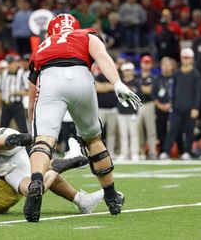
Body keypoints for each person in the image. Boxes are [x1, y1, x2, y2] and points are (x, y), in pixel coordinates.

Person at [26, 13, 141, 222]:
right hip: (81, 77)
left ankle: (36, 181)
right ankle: (111, 196)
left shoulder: (43, 45)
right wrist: (117, 83)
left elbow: (32, 96)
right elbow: (101, 56)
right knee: (93, 138)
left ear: (51, 30)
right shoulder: (86, 34)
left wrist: (32, 124)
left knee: (43, 140)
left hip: (50, 79)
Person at [161, 48, 201, 160]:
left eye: (188, 57)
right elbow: (172, 91)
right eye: (184, 57)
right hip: (177, 107)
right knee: (172, 130)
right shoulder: (177, 74)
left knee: (189, 131)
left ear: (192, 59)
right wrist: (172, 104)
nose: (185, 60)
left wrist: (196, 107)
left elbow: (198, 92)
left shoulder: (195, 74)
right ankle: (166, 151)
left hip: (190, 108)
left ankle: (187, 151)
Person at [0, 54, 29, 133]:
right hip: (6, 105)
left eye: (11, 63)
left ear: (16, 63)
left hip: (17, 105)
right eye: (9, 63)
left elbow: (28, 91)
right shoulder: (3, 74)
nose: (10, 65)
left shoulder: (23, 74)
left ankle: (27, 145)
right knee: (2, 129)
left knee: (23, 128)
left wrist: (17, 92)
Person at [151, 57, 175, 156]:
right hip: (159, 109)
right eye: (163, 65)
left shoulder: (176, 77)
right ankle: (162, 151)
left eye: (167, 65)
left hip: (173, 108)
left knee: (174, 130)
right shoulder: (157, 79)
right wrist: (159, 105)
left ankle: (179, 150)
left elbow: (179, 93)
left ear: (172, 66)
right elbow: (153, 94)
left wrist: (171, 104)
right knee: (161, 130)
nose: (165, 67)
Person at [117, 62, 140, 161]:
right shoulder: (119, 83)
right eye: (125, 70)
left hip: (133, 111)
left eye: (129, 70)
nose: (127, 72)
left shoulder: (136, 83)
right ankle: (124, 153)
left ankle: (134, 153)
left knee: (133, 133)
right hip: (121, 111)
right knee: (123, 134)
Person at [136, 55, 157, 159]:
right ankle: (141, 151)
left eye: (148, 62)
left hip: (149, 104)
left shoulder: (153, 77)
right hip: (137, 104)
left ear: (151, 64)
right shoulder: (137, 76)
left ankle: (153, 151)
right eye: (144, 62)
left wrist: (138, 87)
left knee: (151, 129)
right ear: (141, 63)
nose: (146, 64)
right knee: (138, 129)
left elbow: (148, 90)